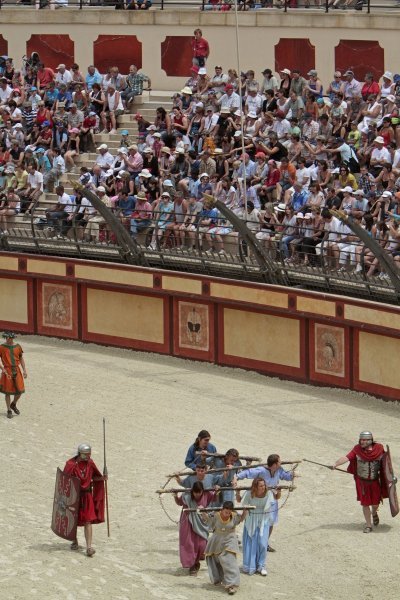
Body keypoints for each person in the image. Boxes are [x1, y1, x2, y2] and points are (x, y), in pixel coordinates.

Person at [234, 453, 295, 551]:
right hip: (259, 499)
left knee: (270, 522)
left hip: (271, 500)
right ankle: (252, 543)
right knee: (255, 522)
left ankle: (264, 543)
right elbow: (248, 472)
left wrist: (292, 475)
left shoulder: (279, 470)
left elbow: (286, 476)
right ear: (274, 464)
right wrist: (237, 477)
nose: (281, 463)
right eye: (279, 462)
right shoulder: (261, 470)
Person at [332, 431, 388, 533]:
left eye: (365, 440)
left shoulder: (379, 448)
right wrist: (336, 464)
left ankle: (374, 513)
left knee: (375, 504)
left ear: (370, 440)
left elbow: (386, 463)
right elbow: (347, 457)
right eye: (361, 440)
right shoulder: (357, 449)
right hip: (362, 482)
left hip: (374, 481)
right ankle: (368, 525)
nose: (362, 442)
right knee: (365, 504)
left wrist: (390, 476)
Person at [63, 443, 106, 557]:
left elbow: (95, 477)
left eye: (89, 454)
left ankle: (89, 547)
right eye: (85, 454)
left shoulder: (90, 463)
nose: (87, 457)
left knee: (88, 521)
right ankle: (74, 540)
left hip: (87, 495)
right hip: (74, 496)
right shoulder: (71, 464)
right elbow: (64, 481)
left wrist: (103, 478)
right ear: (80, 453)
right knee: (73, 519)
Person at [203, 500, 245, 595]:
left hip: (230, 539)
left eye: (229, 512)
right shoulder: (215, 515)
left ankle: (232, 585)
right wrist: (202, 511)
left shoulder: (234, 516)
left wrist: (245, 511)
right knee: (215, 560)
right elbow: (207, 519)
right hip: (217, 539)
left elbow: (241, 519)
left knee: (229, 560)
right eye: (226, 512)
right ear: (222, 509)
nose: (227, 514)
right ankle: (219, 579)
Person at [174, 482, 217, 575]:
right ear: (192, 491)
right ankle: (193, 565)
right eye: (195, 492)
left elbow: (214, 498)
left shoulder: (207, 494)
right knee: (189, 544)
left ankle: (197, 561)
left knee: (201, 544)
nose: (197, 494)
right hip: (187, 522)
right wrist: (175, 495)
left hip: (201, 522)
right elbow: (179, 502)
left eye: (199, 492)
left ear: (202, 491)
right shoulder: (186, 495)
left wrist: (217, 491)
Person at [235, 477, 274, 576]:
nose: (263, 487)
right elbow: (241, 502)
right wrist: (238, 492)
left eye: (264, 485)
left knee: (262, 543)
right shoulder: (249, 494)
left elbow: (275, 499)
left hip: (263, 520)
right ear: (255, 487)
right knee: (250, 543)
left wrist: (279, 492)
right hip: (251, 519)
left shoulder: (268, 494)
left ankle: (261, 566)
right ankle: (249, 565)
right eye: (261, 486)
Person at [0, 331, 27, 419]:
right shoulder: (2, 347)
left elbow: (21, 358)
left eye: (10, 338)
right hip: (7, 370)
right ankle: (8, 410)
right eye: (7, 338)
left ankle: (13, 404)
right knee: (7, 392)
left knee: (20, 390)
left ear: (12, 338)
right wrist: (3, 369)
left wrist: (24, 370)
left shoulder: (18, 346)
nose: (8, 339)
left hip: (17, 369)